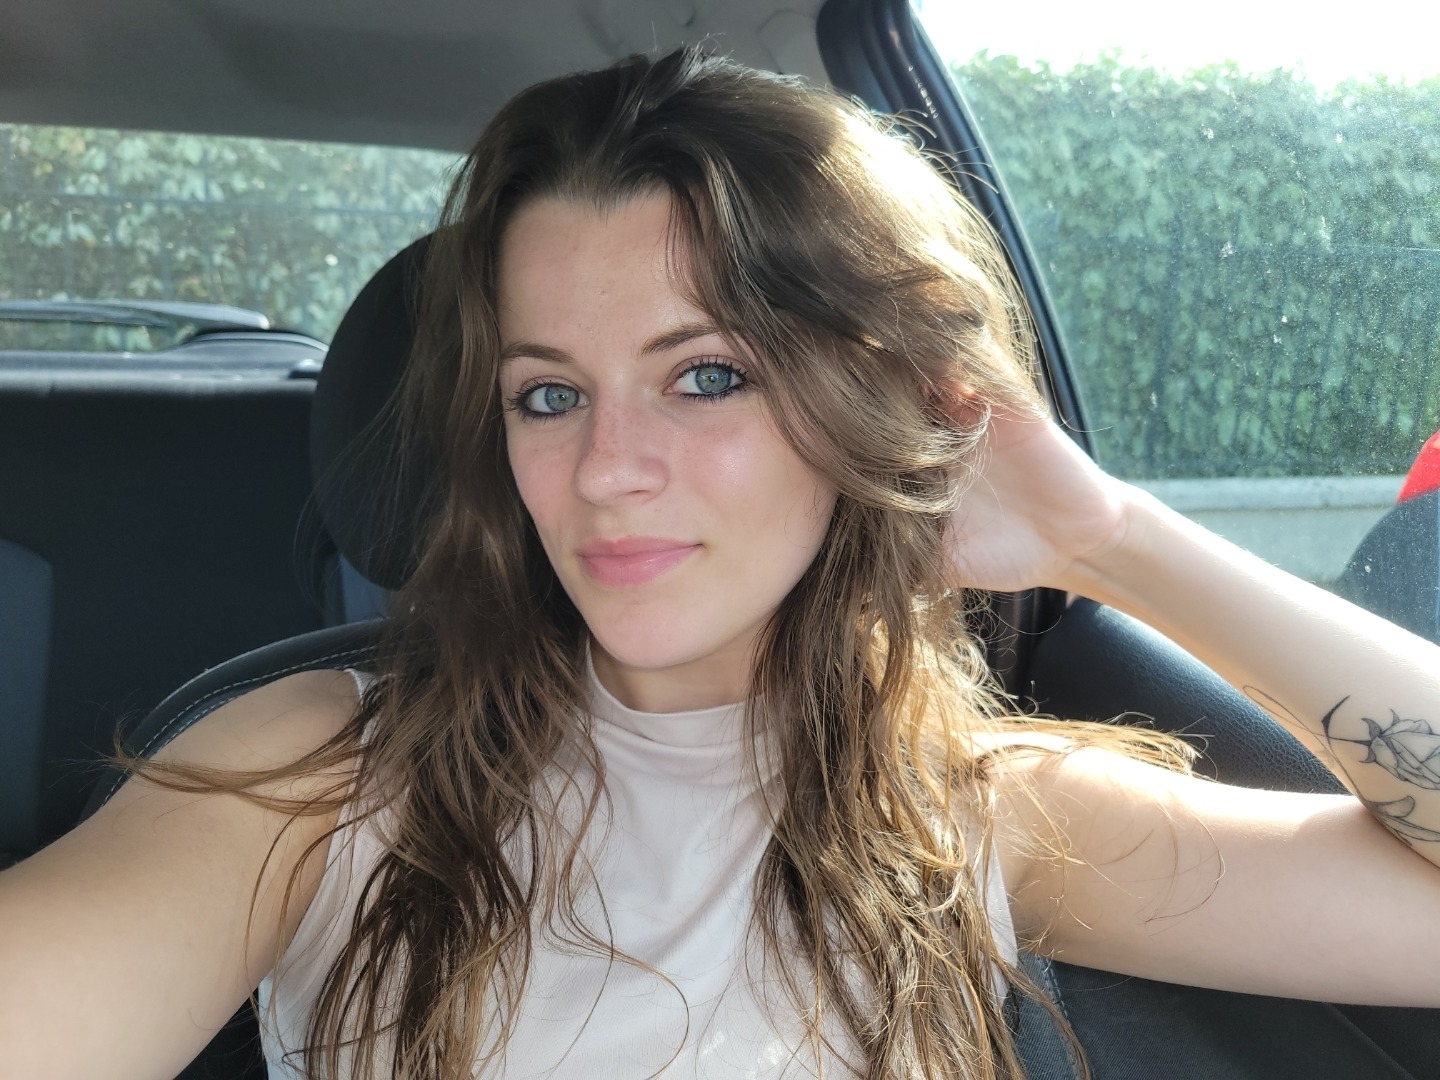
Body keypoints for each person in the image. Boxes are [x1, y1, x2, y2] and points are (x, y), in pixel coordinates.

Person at [5, 46, 1440, 1080]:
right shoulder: (321, 772)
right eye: (548, 395)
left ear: (855, 404)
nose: (606, 468)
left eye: (706, 377)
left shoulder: (981, 810)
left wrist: (1103, 537)